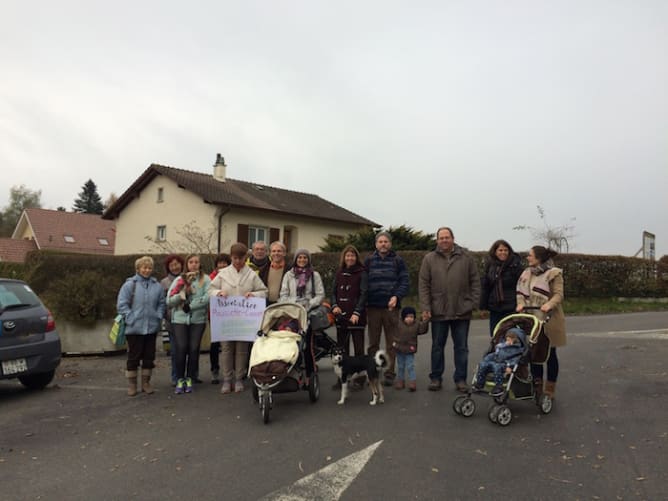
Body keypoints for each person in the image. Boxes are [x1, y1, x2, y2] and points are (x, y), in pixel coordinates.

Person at [419, 227, 480, 393]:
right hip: (438, 311)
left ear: (453, 238)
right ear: (437, 240)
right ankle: (436, 378)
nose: (444, 240)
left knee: (461, 348)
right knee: (437, 347)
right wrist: (425, 307)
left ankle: (460, 379)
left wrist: (472, 303)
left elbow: (475, 281)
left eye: (447, 237)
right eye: (441, 238)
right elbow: (424, 285)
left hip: (462, 310)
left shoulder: (466, 258)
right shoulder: (429, 259)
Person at [209, 243, 268, 394]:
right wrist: (218, 293)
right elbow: (210, 289)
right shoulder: (222, 274)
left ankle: (239, 378)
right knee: (227, 349)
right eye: (235, 258)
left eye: (241, 259)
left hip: (244, 319)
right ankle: (227, 379)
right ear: (231, 257)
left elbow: (264, 291)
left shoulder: (251, 274)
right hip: (226, 318)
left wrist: (254, 294)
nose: (238, 261)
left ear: (245, 258)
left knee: (242, 350)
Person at [516, 245, 566, 399]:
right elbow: (520, 292)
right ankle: (537, 386)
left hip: (549, 319)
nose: (527, 257)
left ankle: (550, 389)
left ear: (538, 258)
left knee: (549, 354)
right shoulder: (526, 273)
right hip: (531, 318)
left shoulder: (554, 273)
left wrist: (549, 304)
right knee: (534, 354)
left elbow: (558, 295)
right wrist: (520, 303)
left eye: (530, 255)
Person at [364, 231, 409, 387]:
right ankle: (372, 370)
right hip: (373, 308)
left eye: (386, 241)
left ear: (390, 244)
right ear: (376, 244)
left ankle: (390, 372)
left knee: (391, 343)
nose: (383, 244)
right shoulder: (369, 260)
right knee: (373, 343)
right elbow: (363, 282)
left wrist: (396, 296)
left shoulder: (398, 260)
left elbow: (404, 281)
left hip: (391, 308)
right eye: (380, 241)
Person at [116, 256, 166, 397]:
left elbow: (162, 303)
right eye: (144, 267)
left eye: (149, 267)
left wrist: (159, 315)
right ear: (138, 269)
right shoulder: (129, 285)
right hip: (134, 328)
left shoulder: (157, 286)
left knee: (149, 357)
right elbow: (122, 305)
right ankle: (132, 384)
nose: (147, 270)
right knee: (133, 357)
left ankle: (146, 383)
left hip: (151, 327)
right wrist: (130, 317)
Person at [167, 254, 211, 395]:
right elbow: (169, 301)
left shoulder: (205, 279)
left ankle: (191, 378)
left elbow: (207, 298)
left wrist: (191, 306)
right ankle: (180, 378)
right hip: (179, 319)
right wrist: (181, 295)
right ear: (187, 264)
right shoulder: (180, 280)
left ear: (200, 264)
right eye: (191, 262)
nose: (194, 264)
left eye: (196, 262)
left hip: (197, 320)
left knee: (193, 349)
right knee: (181, 348)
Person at [279, 248, 325, 376]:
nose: (302, 260)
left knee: (307, 345)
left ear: (308, 260)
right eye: (300, 257)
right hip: (291, 311)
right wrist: (293, 303)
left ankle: (310, 372)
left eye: (305, 257)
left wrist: (309, 304)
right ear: (295, 259)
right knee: (289, 340)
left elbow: (320, 295)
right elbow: (283, 294)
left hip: (307, 312)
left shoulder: (314, 275)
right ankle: (290, 367)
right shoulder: (289, 275)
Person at [330, 244, 367, 390]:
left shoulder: (362, 273)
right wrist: (334, 306)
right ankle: (342, 378)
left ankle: (359, 379)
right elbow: (333, 293)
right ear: (343, 258)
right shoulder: (339, 273)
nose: (350, 258)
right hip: (341, 317)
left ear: (356, 257)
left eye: (352, 255)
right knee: (342, 349)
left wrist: (357, 312)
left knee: (359, 350)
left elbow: (364, 294)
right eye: (347, 256)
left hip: (356, 317)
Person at [480, 239, 523, 336]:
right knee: (496, 336)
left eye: (505, 250)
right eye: (500, 250)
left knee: (511, 337)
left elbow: (522, 287)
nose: (503, 252)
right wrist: (483, 307)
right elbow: (486, 287)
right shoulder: (490, 266)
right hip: (495, 308)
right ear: (495, 252)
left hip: (512, 307)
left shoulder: (516, 266)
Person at [472, 327, 525, 396]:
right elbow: (494, 355)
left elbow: (515, 359)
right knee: (483, 364)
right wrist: (485, 360)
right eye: (507, 339)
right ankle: (479, 383)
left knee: (497, 366)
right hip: (496, 362)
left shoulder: (517, 350)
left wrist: (510, 367)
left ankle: (498, 387)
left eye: (510, 339)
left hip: (504, 365)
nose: (507, 341)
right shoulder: (502, 347)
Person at [160, 254, 185, 386]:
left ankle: (190, 376)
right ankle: (176, 376)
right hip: (172, 322)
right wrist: (168, 316)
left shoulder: (188, 278)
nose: (175, 267)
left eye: (177, 264)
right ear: (168, 267)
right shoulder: (164, 283)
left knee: (187, 350)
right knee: (175, 351)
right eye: (172, 265)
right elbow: (163, 303)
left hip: (187, 321)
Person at [392, 307, 429, 392]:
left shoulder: (416, 324)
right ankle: (400, 380)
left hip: (410, 349)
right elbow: (392, 319)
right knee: (400, 366)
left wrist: (425, 321)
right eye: (407, 317)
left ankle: (412, 381)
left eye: (412, 317)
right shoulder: (398, 323)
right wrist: (392, 309)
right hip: (399, 348)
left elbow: (423, 330)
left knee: (410, 366)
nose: (410, 319)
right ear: (403, 317)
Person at [208, 253, 231, 384]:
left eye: (225, 263)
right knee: (215, 344)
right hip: (215, 315)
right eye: (220, 263)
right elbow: (209, 292)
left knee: (230, 344)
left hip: (230, 315)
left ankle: (231, 370)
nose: (222, 265)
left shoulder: (231, 277)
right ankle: (214, 370)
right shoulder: (211, 278)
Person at [259, 241, 290, 305]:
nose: (276, 253)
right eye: (273, 251)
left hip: (283, 305)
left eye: (279, 251)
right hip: (266, 305)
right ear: (270, 253)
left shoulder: (290, 270)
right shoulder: (263, 270)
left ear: (284, 253)